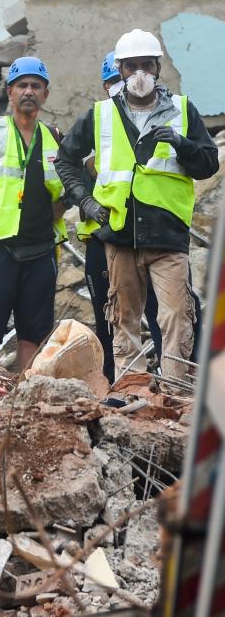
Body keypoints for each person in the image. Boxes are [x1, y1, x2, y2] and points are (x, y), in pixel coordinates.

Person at [55, 29, 219, 384]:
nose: (140, 73)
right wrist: (85, 200)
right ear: (121, 69)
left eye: (147, 65)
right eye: (132, 66)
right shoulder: (100, 114)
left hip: (167, 236)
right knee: (123, 318)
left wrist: (180, 143)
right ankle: (133, 391)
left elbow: (208, 163)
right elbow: (66, 159)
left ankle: (175, 388)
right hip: (120, 234)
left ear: (159, 67)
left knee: (177, 316)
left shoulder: (182, 110)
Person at [0, 56, 67, 370]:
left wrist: (61, 207)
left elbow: (64, 188)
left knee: (32, 334)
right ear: (10, 93)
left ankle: (21, 404)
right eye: (22, 85)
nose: (29, 91)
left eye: (36, 85)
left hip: (40, 249)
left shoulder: (54, 139)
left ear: (45, 94)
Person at [79, 51, 162, 382]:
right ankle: (113, 385)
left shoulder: (158, 119)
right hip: (104, 238)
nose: (121, 87)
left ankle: (182, 385)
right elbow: (72, 172)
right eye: (113, 81)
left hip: (153, 236)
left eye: (124, 79)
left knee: (166, 313)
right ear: (105, 86)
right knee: (109, 318)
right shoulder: (96, 125)